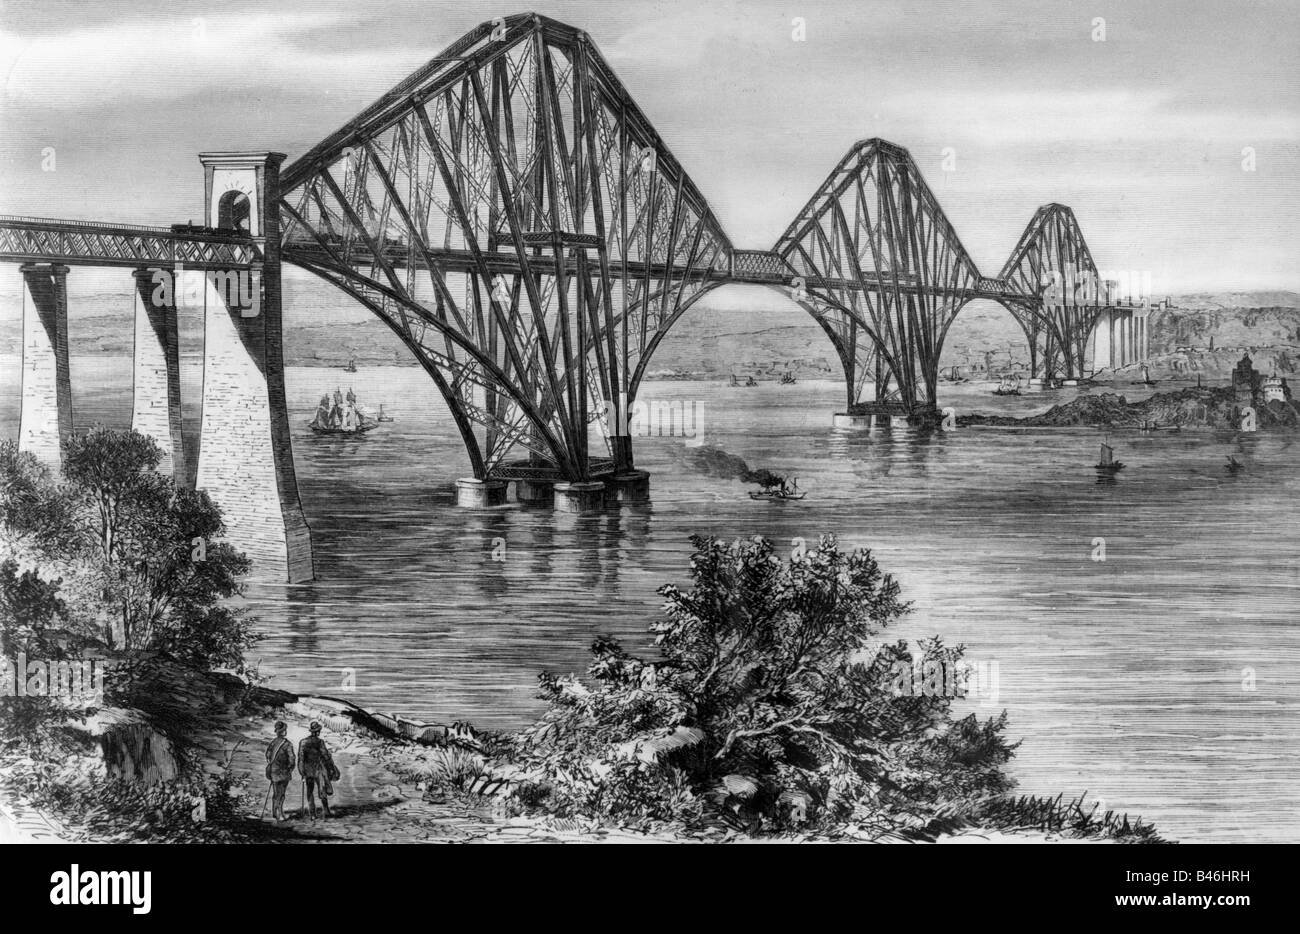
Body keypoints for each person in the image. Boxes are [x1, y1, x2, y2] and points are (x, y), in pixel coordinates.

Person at [298, 722, 341, 819]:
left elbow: (300, 759)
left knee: (310, 791)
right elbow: (326, 756)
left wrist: (302, 773)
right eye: (319, 731)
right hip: (318, 770)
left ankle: (312, 814)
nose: (319, 732)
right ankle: (326, 811)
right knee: (322, 790)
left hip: (307, 771)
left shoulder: (302, 742)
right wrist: (331, 767)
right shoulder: (320, 742)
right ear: (317, 732)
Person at [265, 721, 295, 821]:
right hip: (283, 772)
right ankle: (279, 813)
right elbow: (292, 759)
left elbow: (268, 755)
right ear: (282, 732)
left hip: (273, 772)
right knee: (281, 794)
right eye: (284, 730)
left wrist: (273, 764)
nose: (285, 731)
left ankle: (275, 812)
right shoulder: (287, 744)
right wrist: (290, 768)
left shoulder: (273, 742)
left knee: (275, 793)